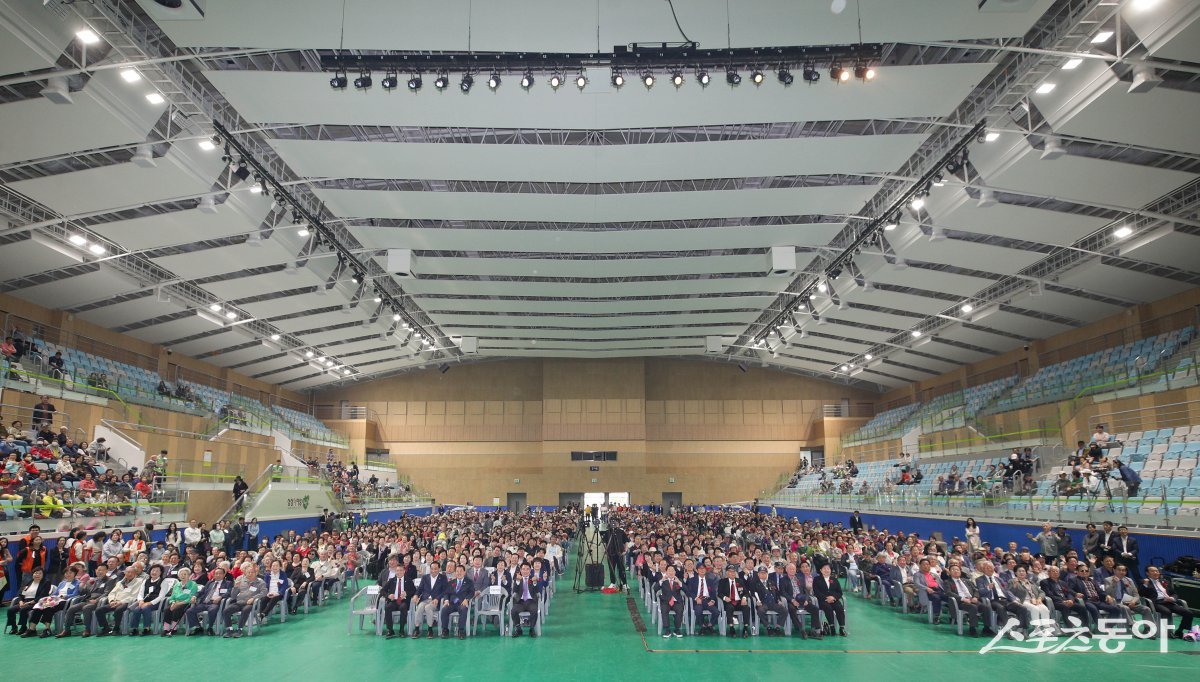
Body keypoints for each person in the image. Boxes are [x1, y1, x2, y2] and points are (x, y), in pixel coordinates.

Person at [1140, 566, 1194, 637]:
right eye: (1153, 571)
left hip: (1168, 602)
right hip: (1156, 603)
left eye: (1157, 571)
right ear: (1147, 573)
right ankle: (1167, 632)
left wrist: (1172, 598)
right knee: (1166, 612)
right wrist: (1145, 585)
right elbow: (1140, 594)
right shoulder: (1145, 582)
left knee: (1189, 613)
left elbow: (1174, 593)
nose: (1156, 572)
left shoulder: (1164, 581)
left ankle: (1179, 631)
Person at [223, 563, 265, 638]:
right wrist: (235, 588)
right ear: (245, 573)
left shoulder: (260, 582)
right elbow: (233, 596)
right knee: (226, 610)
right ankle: (229, 629)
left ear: (256, 573)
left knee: (245, 610)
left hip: (251, 604)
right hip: (239, 602)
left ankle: (240, 630)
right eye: (248, 572)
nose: (250, 574)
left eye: (252, 572)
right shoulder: (242, 581)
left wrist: (254, 598)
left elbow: (264, 592)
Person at [186, 566, 232, 635]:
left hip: (215, 603)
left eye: (220, 573)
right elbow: (201, 592)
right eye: (216, 573)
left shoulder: (228, 583)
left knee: (212, 610)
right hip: (205, 602)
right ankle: (198, 627)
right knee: (189, 611)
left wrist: (220, 597)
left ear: (224, 574)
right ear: (214, 575)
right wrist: (194, 596)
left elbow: (229, 592)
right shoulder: (209, 583)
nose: (218, 575)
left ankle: (210, 627)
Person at [944, 562, 984, 637]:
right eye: (953, 570)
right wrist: (962, 599)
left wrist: (975, 597)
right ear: (949, 572)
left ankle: (987, 627)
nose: (956, 571)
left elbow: (976, 590)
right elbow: (948, 593)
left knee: (986, 607)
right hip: (960, 602)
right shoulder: (947, 582)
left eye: (957, 570)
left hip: (972, 600)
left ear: (960, 571)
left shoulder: (967, 580)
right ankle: (973, 628)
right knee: (973, 607)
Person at [126, 564, 167, 636]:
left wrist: (149, 603)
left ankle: (147, 628)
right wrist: (141, 600)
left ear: (161, 573)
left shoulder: (164, 581)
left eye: (157, 571)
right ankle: (134, 628)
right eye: (153, 570)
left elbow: (161, 596)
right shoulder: (145, 581)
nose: (154, 572)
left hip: (157, 602)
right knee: (136, 609)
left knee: (145, 608)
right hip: (145, 601)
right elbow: (140, 593)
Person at [412, 560, 447, 639]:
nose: (433, 571)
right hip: (425, 599)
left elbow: (445, 591)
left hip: (435, 601)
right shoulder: (425, 577)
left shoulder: (443, 578)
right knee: (420, 607)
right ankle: (417, 629)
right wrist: (416, 595)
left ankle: (430, 629)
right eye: (432, 569)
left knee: (428, 608)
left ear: (439, 569)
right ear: (430, 569)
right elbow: (420, 589)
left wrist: (438, 598)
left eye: (435, 569)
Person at [439, 564, 474, 639]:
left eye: (461, 571)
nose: (459, 573)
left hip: (462, 603)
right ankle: (445, 630)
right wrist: (446, 600)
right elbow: (446, 593)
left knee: (464, 609)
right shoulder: (451, 582)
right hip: (451, 603)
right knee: (444, 609)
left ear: (464, 572)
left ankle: (461, 630)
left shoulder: (469, 582)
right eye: (457, 571)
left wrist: (467, 599)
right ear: (455, 573)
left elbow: (472, 592)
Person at [161, 567, 198, 636]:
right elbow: (172, 597)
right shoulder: (177, 585)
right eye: (181, 574)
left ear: (189, 576)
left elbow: (191, 596)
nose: (183, 576)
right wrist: (173, 602)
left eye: (185, 574)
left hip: (187, 603)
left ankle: (173, 628)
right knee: (167, 610)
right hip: (176, 602)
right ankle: (166, 629)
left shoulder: (193, 584)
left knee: (177, 610)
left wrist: (179, 603)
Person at [509, 562, 541, 638]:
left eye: (527, 569)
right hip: (520, 601)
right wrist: (517, 581)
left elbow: (537, 591)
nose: (525, 571)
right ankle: (518, 628)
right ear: (520, 570)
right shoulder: (518, 579)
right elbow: (514, 591)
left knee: (534, 610)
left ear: (530, 570)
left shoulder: (533, 578)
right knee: (513, 610)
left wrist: (535, 582)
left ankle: (532, 629)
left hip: (531, 601)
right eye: (523, 569)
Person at [718, 565, 751, 638]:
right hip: (729, 602)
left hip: (739, 602)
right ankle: (731, 627)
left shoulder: (740, 581)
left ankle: (745, 628)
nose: (732, 573)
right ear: (727, 573)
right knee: (729, 608)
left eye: (734, 572)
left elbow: (746, 592)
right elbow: (719, 593)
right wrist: (724, 597)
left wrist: (744, 598)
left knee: (746, 607)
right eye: (730, 572)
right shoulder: (723, 581)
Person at [658, 565, 686, 638]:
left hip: (676, 601)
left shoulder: (678, 580)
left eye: (672, 570)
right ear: (666, 572)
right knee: (664, 610)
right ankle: (667, 629)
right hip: (666, 601)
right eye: (669, 570)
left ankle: (677, 629)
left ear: (675, 572)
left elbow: (686, 590)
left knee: (680, 610)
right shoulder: (663, 580)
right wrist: (661, 581)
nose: (671, 572)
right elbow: (655, 588)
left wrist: (679, 582)